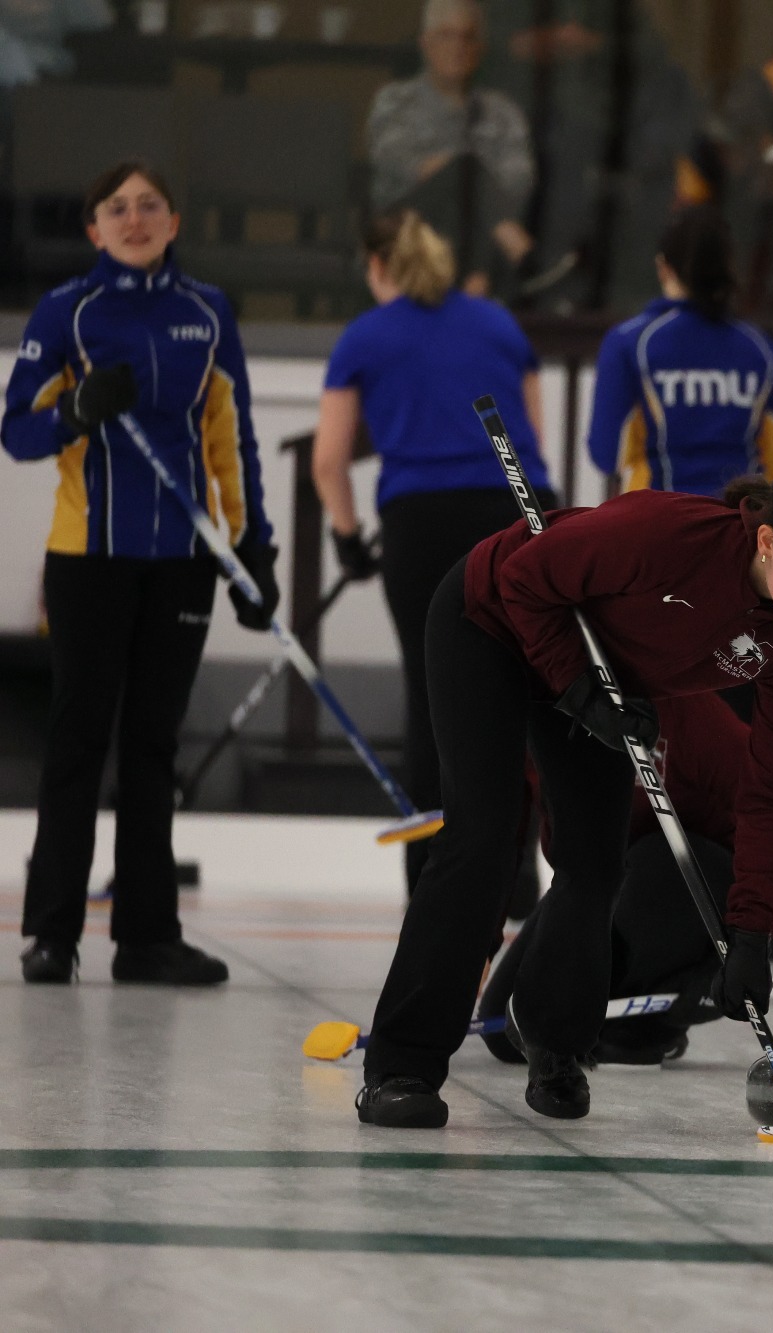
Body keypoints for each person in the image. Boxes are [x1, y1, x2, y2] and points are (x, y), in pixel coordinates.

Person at [355, 460, 773, 1129]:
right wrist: (573, 687)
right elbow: (524, 578)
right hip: (490, 621)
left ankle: (556, 1046)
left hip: (599, 676)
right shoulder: (666, 535)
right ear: (770, 541)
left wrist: (752, 928)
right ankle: (401, 1066)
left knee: (596, 861)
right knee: (483, 839)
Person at [3, 161, 279, 986]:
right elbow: (15, 431)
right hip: (88, 557)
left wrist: (252, 545)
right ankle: (52, 933)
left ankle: (147, 936)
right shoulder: (67, 312)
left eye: (148, 204)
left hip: (182, 562)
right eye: (116, 208)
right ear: (93, 228)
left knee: (153, 745)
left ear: (173, 220)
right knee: (78, 739)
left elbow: (232, 436)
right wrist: (76, 412)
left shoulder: (207, 311)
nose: (133, 217)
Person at [312, 208, 555, 900]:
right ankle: (514, 879)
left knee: (434, 699)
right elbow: (531, 434)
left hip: (420, 523)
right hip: (512, 513)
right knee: (513, 693)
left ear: (376, 266)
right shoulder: (498, 324)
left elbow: (329, 460)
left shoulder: (365, 335)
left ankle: (436, 880)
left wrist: (349, 537)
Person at [475, 691, 773, 1066]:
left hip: (700, 883)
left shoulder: (691, 717)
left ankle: (649, 1022)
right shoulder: (548, 713)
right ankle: (616, 1014)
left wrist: (747, 947)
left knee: (658, 858)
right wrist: (485, 944)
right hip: (603, 881)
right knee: (503, 1030)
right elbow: (520, 836)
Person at [586, 207, 773, 499]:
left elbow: (606, 453)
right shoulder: (761, 349)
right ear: (729, 268)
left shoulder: (630, 342)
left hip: (657, 524)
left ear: (663, 266)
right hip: (739, 526)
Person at [368, 0, 535, 294]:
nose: (458, 46)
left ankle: (474, 282)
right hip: (407, 232)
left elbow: (517, 183)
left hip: (477, 231)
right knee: (464, 172)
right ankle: (501, 269)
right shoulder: (396, 101)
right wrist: (465, 172)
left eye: (467, 36)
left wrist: (469, 184)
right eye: (446, 35)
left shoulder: (502, 111)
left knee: (468, 199)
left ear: (480, 48)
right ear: (426, 44)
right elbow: (401, 164)